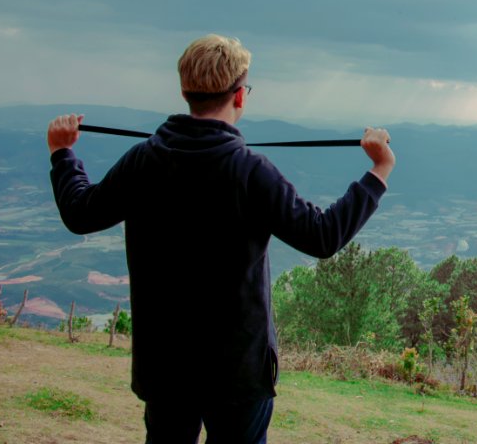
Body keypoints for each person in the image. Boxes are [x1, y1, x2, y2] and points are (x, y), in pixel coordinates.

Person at [47, 34, 395, 444]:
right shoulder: (250, 170)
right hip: (238, 370)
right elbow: (323, 236)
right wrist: (378, 171)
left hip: (165, 366)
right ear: (240, 97)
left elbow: (80, 213)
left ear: (183, 91)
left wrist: (62, 153)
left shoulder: (144, 161)